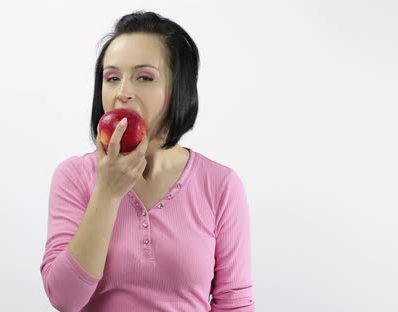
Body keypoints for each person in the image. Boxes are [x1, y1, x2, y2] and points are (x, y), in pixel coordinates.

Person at [40, 10, 255, 312]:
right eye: (112, 78)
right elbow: (65, 299)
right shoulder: (74, 176)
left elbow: (234, 304)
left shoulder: (220, 185)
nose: (123, 93)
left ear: (178, 87)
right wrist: (107, 192)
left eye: (144, 77)